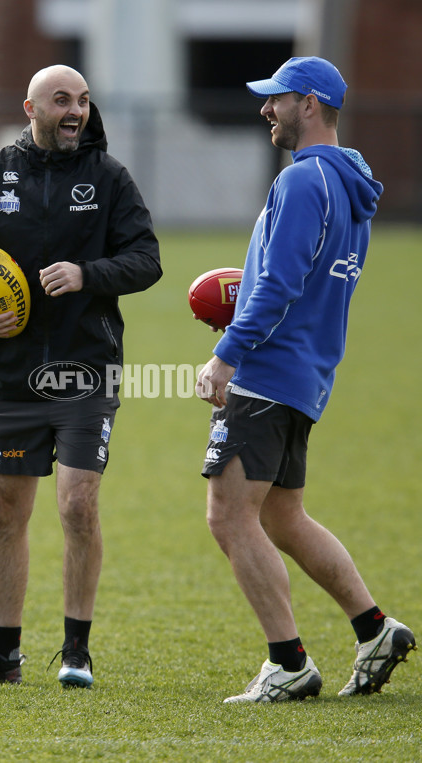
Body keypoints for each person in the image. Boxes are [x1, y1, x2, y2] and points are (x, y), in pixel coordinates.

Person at [0, 65, 162, 688]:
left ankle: (75, 651)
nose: (76, 110)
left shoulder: (108, 178)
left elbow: (147, 260)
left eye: (82, 100)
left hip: (86, 371)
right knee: (5, 509)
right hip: (10, 375)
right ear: (31, 107)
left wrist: (89, 274)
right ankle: (3, 657)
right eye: (62, 100)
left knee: (78, 504)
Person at [195, 57, 416, 702]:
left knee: (230, 516)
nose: (267, 108)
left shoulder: (301, 182)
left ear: (311, 104)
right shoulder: (349, 184)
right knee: (284, 516)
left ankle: (288, 663)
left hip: (267, 370)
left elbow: (282, 285)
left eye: (277, 98)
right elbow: (315, 282)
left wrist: (227, 354)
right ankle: (374, 629)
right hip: (308, 370)